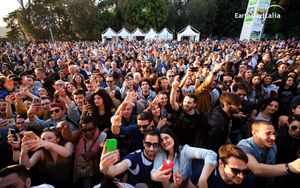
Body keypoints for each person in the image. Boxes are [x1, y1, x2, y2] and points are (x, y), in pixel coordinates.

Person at [237, 121, 300, 188]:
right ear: (255, 133)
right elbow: (257, 170)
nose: (273, 138)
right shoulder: (244, 146)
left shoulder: (272, 145)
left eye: (274, 134)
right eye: (268, 133)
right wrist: (290, 167)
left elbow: (272, 169)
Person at [151, 127, 217, 188]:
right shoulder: (160, 152)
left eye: (166, 138)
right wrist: (176, 184)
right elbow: (166, 185)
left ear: (172, 137)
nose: (164, 142)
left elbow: (211, 154)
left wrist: (203, 179)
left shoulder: (184, 150)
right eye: (161, 140)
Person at [191, 144, 255, 188]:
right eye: (235, 170)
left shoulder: (248, 181)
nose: (241, 176)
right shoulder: (203, 174)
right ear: (221, 163)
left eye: (245, 171)